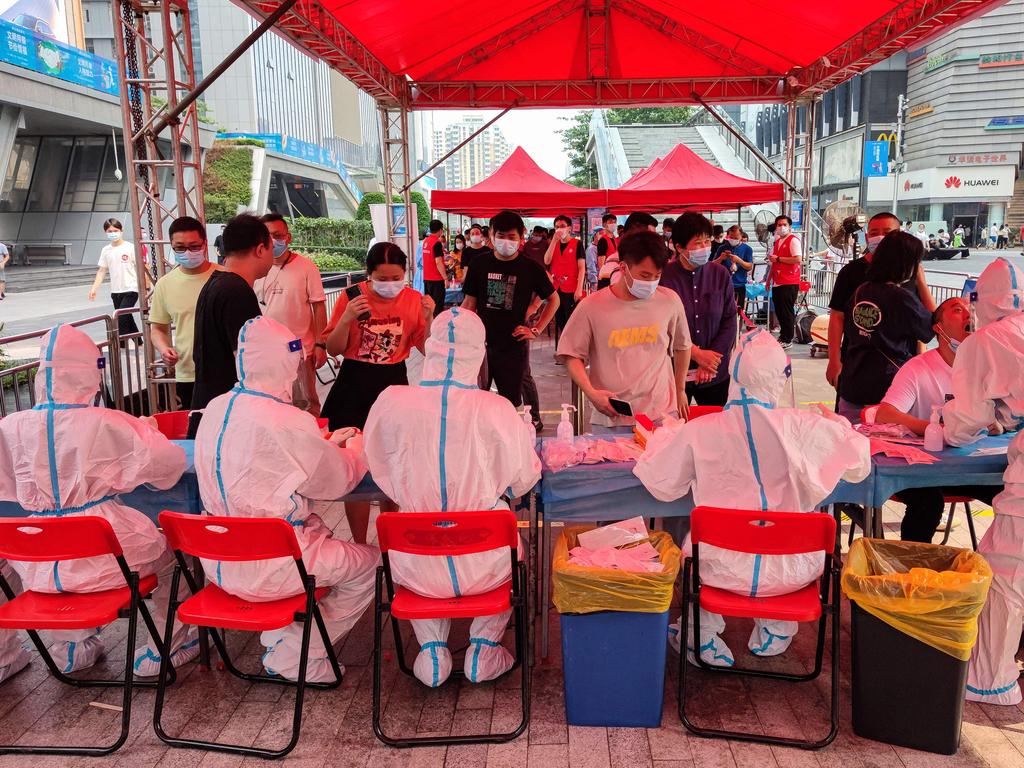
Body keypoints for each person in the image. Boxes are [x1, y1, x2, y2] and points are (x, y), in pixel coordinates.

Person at [634, 329, 870, 665]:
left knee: (697, 549)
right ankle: (777, 627)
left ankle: (699, 633)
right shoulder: (804, 427)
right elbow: (859, 464)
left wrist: (662, 439)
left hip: (717, 569)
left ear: (735, 376)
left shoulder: (701, 431)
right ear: (780, 378)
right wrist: (837, 425)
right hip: (794, 570)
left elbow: (661, 483)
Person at [0, 324, 198, 678]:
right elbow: (169, 465)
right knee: (175, 554)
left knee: (4, 559)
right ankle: (168, 645)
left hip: (39, 569)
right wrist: (146, 431)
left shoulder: (10, 426)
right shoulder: (107, 423)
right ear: (90, 372)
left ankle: (37, 651)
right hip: (108, 562)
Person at [194, 315, 379, 683]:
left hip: (218, 562)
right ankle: (299, 650)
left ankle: (288, 637)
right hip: (280, 563)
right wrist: (356, 449)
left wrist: (318, 446)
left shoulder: (213, 410)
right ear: (285, 362)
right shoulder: (287, 420)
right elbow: (335, 481)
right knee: (371, 565)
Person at [363, 308, 541, 687]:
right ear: (479, 355)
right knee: (518, 547)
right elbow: (525, 480)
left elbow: (376, 465)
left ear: (431, 349)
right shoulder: (497, 409)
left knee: (421, 540)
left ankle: (430, 651)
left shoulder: (391, 401)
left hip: (414, 563)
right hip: (487, 562)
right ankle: (483, 644)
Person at [941, 258, 1024, 706]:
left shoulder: (987, 341)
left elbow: (964, 422)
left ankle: (991, 681)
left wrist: (946, 425)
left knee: (1006, 570)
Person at [322, 242, 433, 543]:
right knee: (354, 470)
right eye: (381, 279)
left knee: (392, 463)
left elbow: (427, 348)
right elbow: (333, 349)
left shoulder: (413, 300)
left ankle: (390, 536)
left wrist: (430, 317)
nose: (389, 285)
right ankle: (359, 543)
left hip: (393, 383)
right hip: (354, 383)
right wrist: (346, 318)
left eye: (395, 277)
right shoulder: (351, 296)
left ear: (405, 274)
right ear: (368, 275)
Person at [874, 297, 997, 542]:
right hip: (921, 471)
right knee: (928, 504)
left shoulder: (985, 368)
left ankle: (995, 568)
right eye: (957, 309)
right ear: (937, 327)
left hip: (967, 469)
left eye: (970, 310)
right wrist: (936, 429)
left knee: (1012, 492)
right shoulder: (918, 368)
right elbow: (884, 414)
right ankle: (913, 571)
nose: (967, 315)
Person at [557, 230, 691, 428]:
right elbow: (570, 354)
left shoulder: (670, 301)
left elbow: (683, 346)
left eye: (657, 276)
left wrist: (680, 390)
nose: (651, 282)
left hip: (661, 414)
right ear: (623, 267)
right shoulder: (592, 305)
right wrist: (591, 393)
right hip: (612, 417)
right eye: (644, 275)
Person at [826, 212, 936, 394]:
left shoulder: (909, 275)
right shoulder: (851, 273)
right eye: (874, 232)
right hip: (856, 366)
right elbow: (837, 317)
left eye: (887, 232)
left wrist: (920, 281)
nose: (881, 237)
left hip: (898, 372)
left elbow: (923, 323)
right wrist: (834, 360)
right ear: (867, 236)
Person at [187, 213, 274, 437]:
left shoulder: (216, 283)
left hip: (212, 407)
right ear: (260, 249)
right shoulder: (237, 293)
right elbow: (247, 363)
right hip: (227, 416)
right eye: (271, 248)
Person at [461, 210, 558, 408]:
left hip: (513, 346)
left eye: (512, 237)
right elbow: (469, 305)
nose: (506, 241)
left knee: (509, 404)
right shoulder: (479, 264)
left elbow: (553, 300)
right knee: (475, 400)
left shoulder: (530, 267)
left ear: (521, 237)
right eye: (501, 236)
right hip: (480, 345)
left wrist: (535, 330)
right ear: (491, 236)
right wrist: (457, 330)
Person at [253, 213, 328, 417]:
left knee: (306, 404)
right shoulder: (255, 268)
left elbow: (319, 307)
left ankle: (310, 442)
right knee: (271, 406)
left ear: (288, 237)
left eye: (278, 235)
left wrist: (321, 344)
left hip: (301, 351)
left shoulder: (306, 267)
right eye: (267, 236)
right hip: (265, 352)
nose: (273, 241)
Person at [660, 212, 737, 407]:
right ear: (679, 247)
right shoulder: (664, 278)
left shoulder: (720, 274)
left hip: (714, 373)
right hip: (675, 373)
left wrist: (711, 360)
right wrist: (695, 354)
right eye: (697, 243)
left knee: (716, 431)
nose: (704, 248)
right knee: (672, 432)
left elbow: (729, 321)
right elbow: (659, 325)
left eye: (707, 242)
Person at [148, 216, 221, 411]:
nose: (187, 252)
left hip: (225, 372)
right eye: (180, 248)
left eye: (194, 246)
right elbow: (157, 328)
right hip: (188, 373)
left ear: (205, 244)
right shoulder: (165, 284)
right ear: (171, 246)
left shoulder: (225, 278)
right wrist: (164, 349)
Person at [88, 218, 150, 335]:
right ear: (105, 232)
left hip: (131, 289)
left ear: (121, 230)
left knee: (121, 318)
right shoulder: (106, 250)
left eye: (115, 230)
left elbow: (144, 267)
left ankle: (120, 344)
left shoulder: (130, 247)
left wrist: (147, 288)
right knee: (126, 317)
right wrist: (94, 289)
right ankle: (139, 342)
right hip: (116, 290)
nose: (113, 234)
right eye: (110, 231)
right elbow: (102, 270)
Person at [544, 214, 586, 342]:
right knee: (560, 318)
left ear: (569, 228)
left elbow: (581, 268)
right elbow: (547, 260)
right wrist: (553, 242)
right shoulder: (554, 244)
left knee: (571, 319)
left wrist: (579, 288)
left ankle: (574, 346)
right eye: (557, 227)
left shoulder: (577, 244)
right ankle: (566, 344)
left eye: (562, 226)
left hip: (571, 288)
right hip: (556, 288)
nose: (559, 229)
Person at [767, 214, 802, 349]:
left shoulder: (793, 240)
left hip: (789, 281)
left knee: (786, 311)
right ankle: (783, 336)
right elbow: (774, 262)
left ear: (790, 226)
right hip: (778, 280)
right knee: (780, 310)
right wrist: (769, 280)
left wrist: (779, 259)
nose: (781, 227)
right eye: (779, 225)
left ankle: (788, 338)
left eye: (784, 225)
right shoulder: (777, 241)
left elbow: (797, 259)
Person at [719, 224, 753, 312]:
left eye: (736, 237)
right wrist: (720, 258)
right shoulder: (722, 248)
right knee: (724, 311)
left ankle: (739, 325)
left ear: (741, 236)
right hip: (724, 285)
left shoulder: (747, 249)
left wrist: (739, 261)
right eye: (731, 237)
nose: (733, 239)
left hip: (739, 285)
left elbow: (749, 266)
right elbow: (712, 265)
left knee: (739, 311)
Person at [421, 219, 447, 318]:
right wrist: (445, 278)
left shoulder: (425, 242)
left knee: (429, 307)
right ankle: (436, 329)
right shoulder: (437, 243)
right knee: (437, 308)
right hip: (436, 280)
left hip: (427, 280)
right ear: (440, 230)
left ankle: (429, 328)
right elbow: (438, 262)